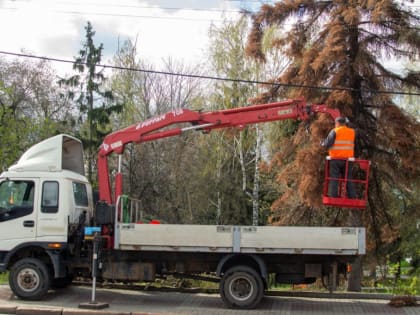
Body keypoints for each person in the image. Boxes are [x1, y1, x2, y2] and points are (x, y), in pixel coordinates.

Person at [321, 116, 356, 198]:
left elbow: (327, 143)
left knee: (335, 178)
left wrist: (321, 142)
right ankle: (352, 196)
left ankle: (333, 196)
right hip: (348, 160)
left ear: (337, 123)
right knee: (348, 178)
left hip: (336, 159)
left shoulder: (335, 131)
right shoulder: (352, 132)